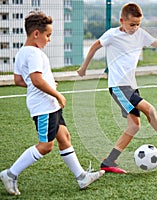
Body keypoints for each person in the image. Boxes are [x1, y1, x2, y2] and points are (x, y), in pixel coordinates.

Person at [0, 11, 104, 196]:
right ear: (36, 34)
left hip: (48, 105)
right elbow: (36, 79)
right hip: (44, 106)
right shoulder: (34, 53)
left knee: (64, 137)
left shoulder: (23, 52)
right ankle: (10, 173)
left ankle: (81, 177)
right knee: (46, 146)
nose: (49, 40)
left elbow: (19, 80)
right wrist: (56, 94)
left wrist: (46, 86)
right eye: (48, 35)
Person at [77, 3, 157, 174]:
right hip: (118, 86)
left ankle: (109, 161)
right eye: (132, 24)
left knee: (134, 126)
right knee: (149, 109)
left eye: (138, 24)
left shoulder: (140, 34)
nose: (135, 28)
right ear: (122, 21)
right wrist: (84, 67)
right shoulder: (112, 35)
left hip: (131, 86)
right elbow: (94, 46)